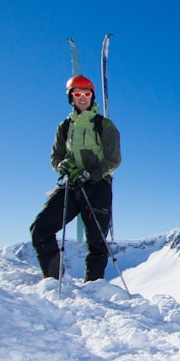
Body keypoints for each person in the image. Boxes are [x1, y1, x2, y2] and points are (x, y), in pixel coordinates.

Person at [30, 75, 122, 282]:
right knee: (40, 229)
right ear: (70, 97)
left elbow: (114, 159)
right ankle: (55, 281)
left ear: (92, 97)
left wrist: (92, 173)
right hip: (71, 185)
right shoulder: (64, 127)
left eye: (86, 94)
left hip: (98, 185)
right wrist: (60, 166)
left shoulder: (104, 125)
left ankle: (93, 288)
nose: (82, 97)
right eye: (77, 93)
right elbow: (55, 156)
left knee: (97, 242)